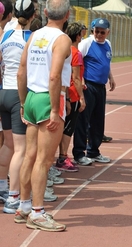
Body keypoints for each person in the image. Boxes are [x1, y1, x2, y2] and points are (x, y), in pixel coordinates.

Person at [16, 0, 71, 231]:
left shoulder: (34, 35)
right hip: (49, 99)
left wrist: (22, 102)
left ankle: (24, 206)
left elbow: (21, 70)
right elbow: (54, 76)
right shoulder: (62, 39)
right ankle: (38, 213)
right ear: (67, 15)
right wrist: (56, 110)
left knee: (29, 156)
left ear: (46, 12)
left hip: (30, 97)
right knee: (44, 160)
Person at [0, 0, 36, 214]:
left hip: (3, 90)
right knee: (21, 149)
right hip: (18, 94)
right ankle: (14, 198)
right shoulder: (32, 38)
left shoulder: (5, 34)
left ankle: (3, 186)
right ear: (33, 15)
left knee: (8, 146)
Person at [73, 18, 116, 165]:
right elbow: (76, 62)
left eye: (102, 32)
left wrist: (111, 77)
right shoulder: (86, 43)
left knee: (98, 120)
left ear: (108, 32)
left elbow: (106, 63)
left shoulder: (108, 44)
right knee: (83, 120)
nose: (99, 34)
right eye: (96, 31)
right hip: (88, 86)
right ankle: (79, 153)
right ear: (92, 31)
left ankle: (93, 151)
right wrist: (81, 82)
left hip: (100, 87)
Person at [55, 22, 86, 172]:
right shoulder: (76, 53)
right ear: (78, 36)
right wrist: (81, 97)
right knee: (68, 128)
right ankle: (62, 157)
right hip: (72, 94)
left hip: (64, 92)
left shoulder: (64, 49)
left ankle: (60, 156)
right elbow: (76, 77)